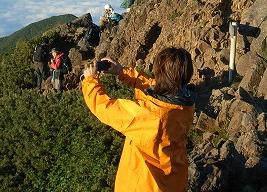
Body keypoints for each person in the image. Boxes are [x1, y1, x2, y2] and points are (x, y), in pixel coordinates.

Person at [81, 48, 196, 192]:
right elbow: (158, 87)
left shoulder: (148, 115)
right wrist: (123, 72)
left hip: (145, 185)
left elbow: (104, 107)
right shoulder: (185, 103)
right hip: (174, 182)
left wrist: (90, 80)